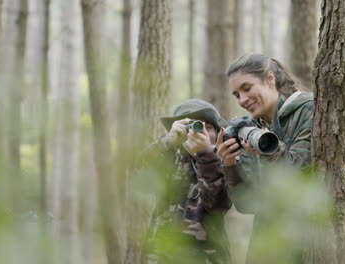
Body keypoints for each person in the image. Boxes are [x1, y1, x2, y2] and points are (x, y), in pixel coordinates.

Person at [217, 54, 335, 263]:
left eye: (247, 88)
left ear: (270, 79)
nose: (242, 100)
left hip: (303, 245)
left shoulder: (308, 109)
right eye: (236, 95)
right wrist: (229, 165)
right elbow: (247, 204)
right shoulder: (252, 131)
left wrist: (267, 150)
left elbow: (298, 174)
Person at [143, 99, 232, 264]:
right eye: (192, 126)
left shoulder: (225, 161)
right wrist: (168, 142)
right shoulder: (169, 158)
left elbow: (217, 204)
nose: (199, 132)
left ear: (218, 133)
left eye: (208, 127)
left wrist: (205, 155)